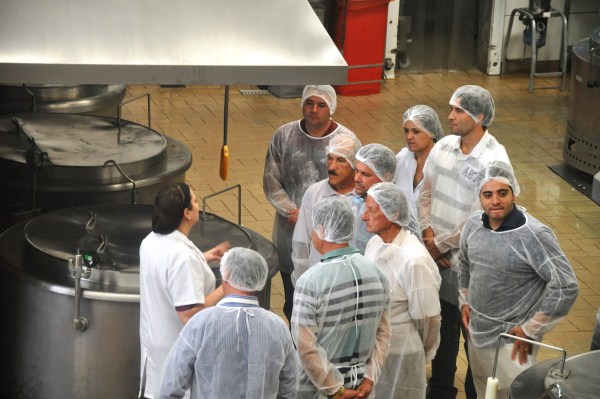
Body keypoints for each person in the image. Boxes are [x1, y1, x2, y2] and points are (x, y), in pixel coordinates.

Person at [418, 85, 510, 399]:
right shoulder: (443, 146)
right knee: (443, 331)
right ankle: (441, 390)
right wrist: (428, 236)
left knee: (475, 337)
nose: (450, 116)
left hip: (473, 268)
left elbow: (482, 212)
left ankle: (477, 394)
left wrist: (440, 245)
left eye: (458, 111)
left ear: (480, 116)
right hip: (437, 260)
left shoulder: (494, 158)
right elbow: (424, 192)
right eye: (452, 109)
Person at [459, 163, 579, 398]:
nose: (495, 201)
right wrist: (464, 299)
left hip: (513, 341)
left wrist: (530, 328)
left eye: (502, 193)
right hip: (478, 331)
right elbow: (464, 262)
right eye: (488, 194)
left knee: (513, 393)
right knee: (485, 391)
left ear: (514, 192)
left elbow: (565, 285)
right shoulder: (473, 225)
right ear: (479, 198)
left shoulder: (533, 235)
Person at [263, 85, 356, 323]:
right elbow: (271, 180)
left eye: (321, 105)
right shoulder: (284, 136)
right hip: (289, 229)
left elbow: (358, 182)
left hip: (334, 237)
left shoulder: (346, 141)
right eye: (309, 103)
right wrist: (294, 212)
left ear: (331, 108)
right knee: (293, 302)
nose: (314, 110)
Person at [158, 247, 296, 399]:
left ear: (226, 275)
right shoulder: (278, 327)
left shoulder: (200, 323)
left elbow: (170, 385)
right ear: (260, 279)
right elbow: (290, 385)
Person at [292, 197, 391, 399]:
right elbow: (384, 334)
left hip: (321, 390)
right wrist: (370, 378)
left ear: (320, 229)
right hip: (362, 389)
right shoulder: (377, 274)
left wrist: (336, 389)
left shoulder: (310, 282)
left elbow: (305, 347)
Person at [139, 182, 230, 399]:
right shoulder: (182, 258)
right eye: (196, 202)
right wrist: (227, 285)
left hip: (155, 343)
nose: (199, 206)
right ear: (186, 213)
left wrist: (205, 256)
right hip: (175, 348)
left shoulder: (150, 241)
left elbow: (169, 270)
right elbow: (190, 315)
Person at [363, 182, 441, 399]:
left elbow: (428, 319)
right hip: (373, 349)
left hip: (401, 351)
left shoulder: (414, 260)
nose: (363, 216)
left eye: (371, 210)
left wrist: (422, 353)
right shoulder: (375, 243)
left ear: (392, 214)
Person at [291, 132, 361, 283]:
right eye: (330, 158)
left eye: (341, 160)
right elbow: (301, 241)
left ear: (354, 163)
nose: (332, 166)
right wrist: (302, 280)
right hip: (319, 279)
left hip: (354, 280)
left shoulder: (364, 197)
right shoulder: (314, 193)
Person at [352, 143, 421, 254]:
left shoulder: (393, 206)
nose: (356, 178)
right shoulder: (360, 197)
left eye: (366, 174)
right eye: (356, 171)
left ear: (386, 177)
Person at [394, 105, 444, 217]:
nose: (409, 136)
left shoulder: (443, 164)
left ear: (431, 132)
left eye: (416, 132)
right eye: (406, 131)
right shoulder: (401, 158)